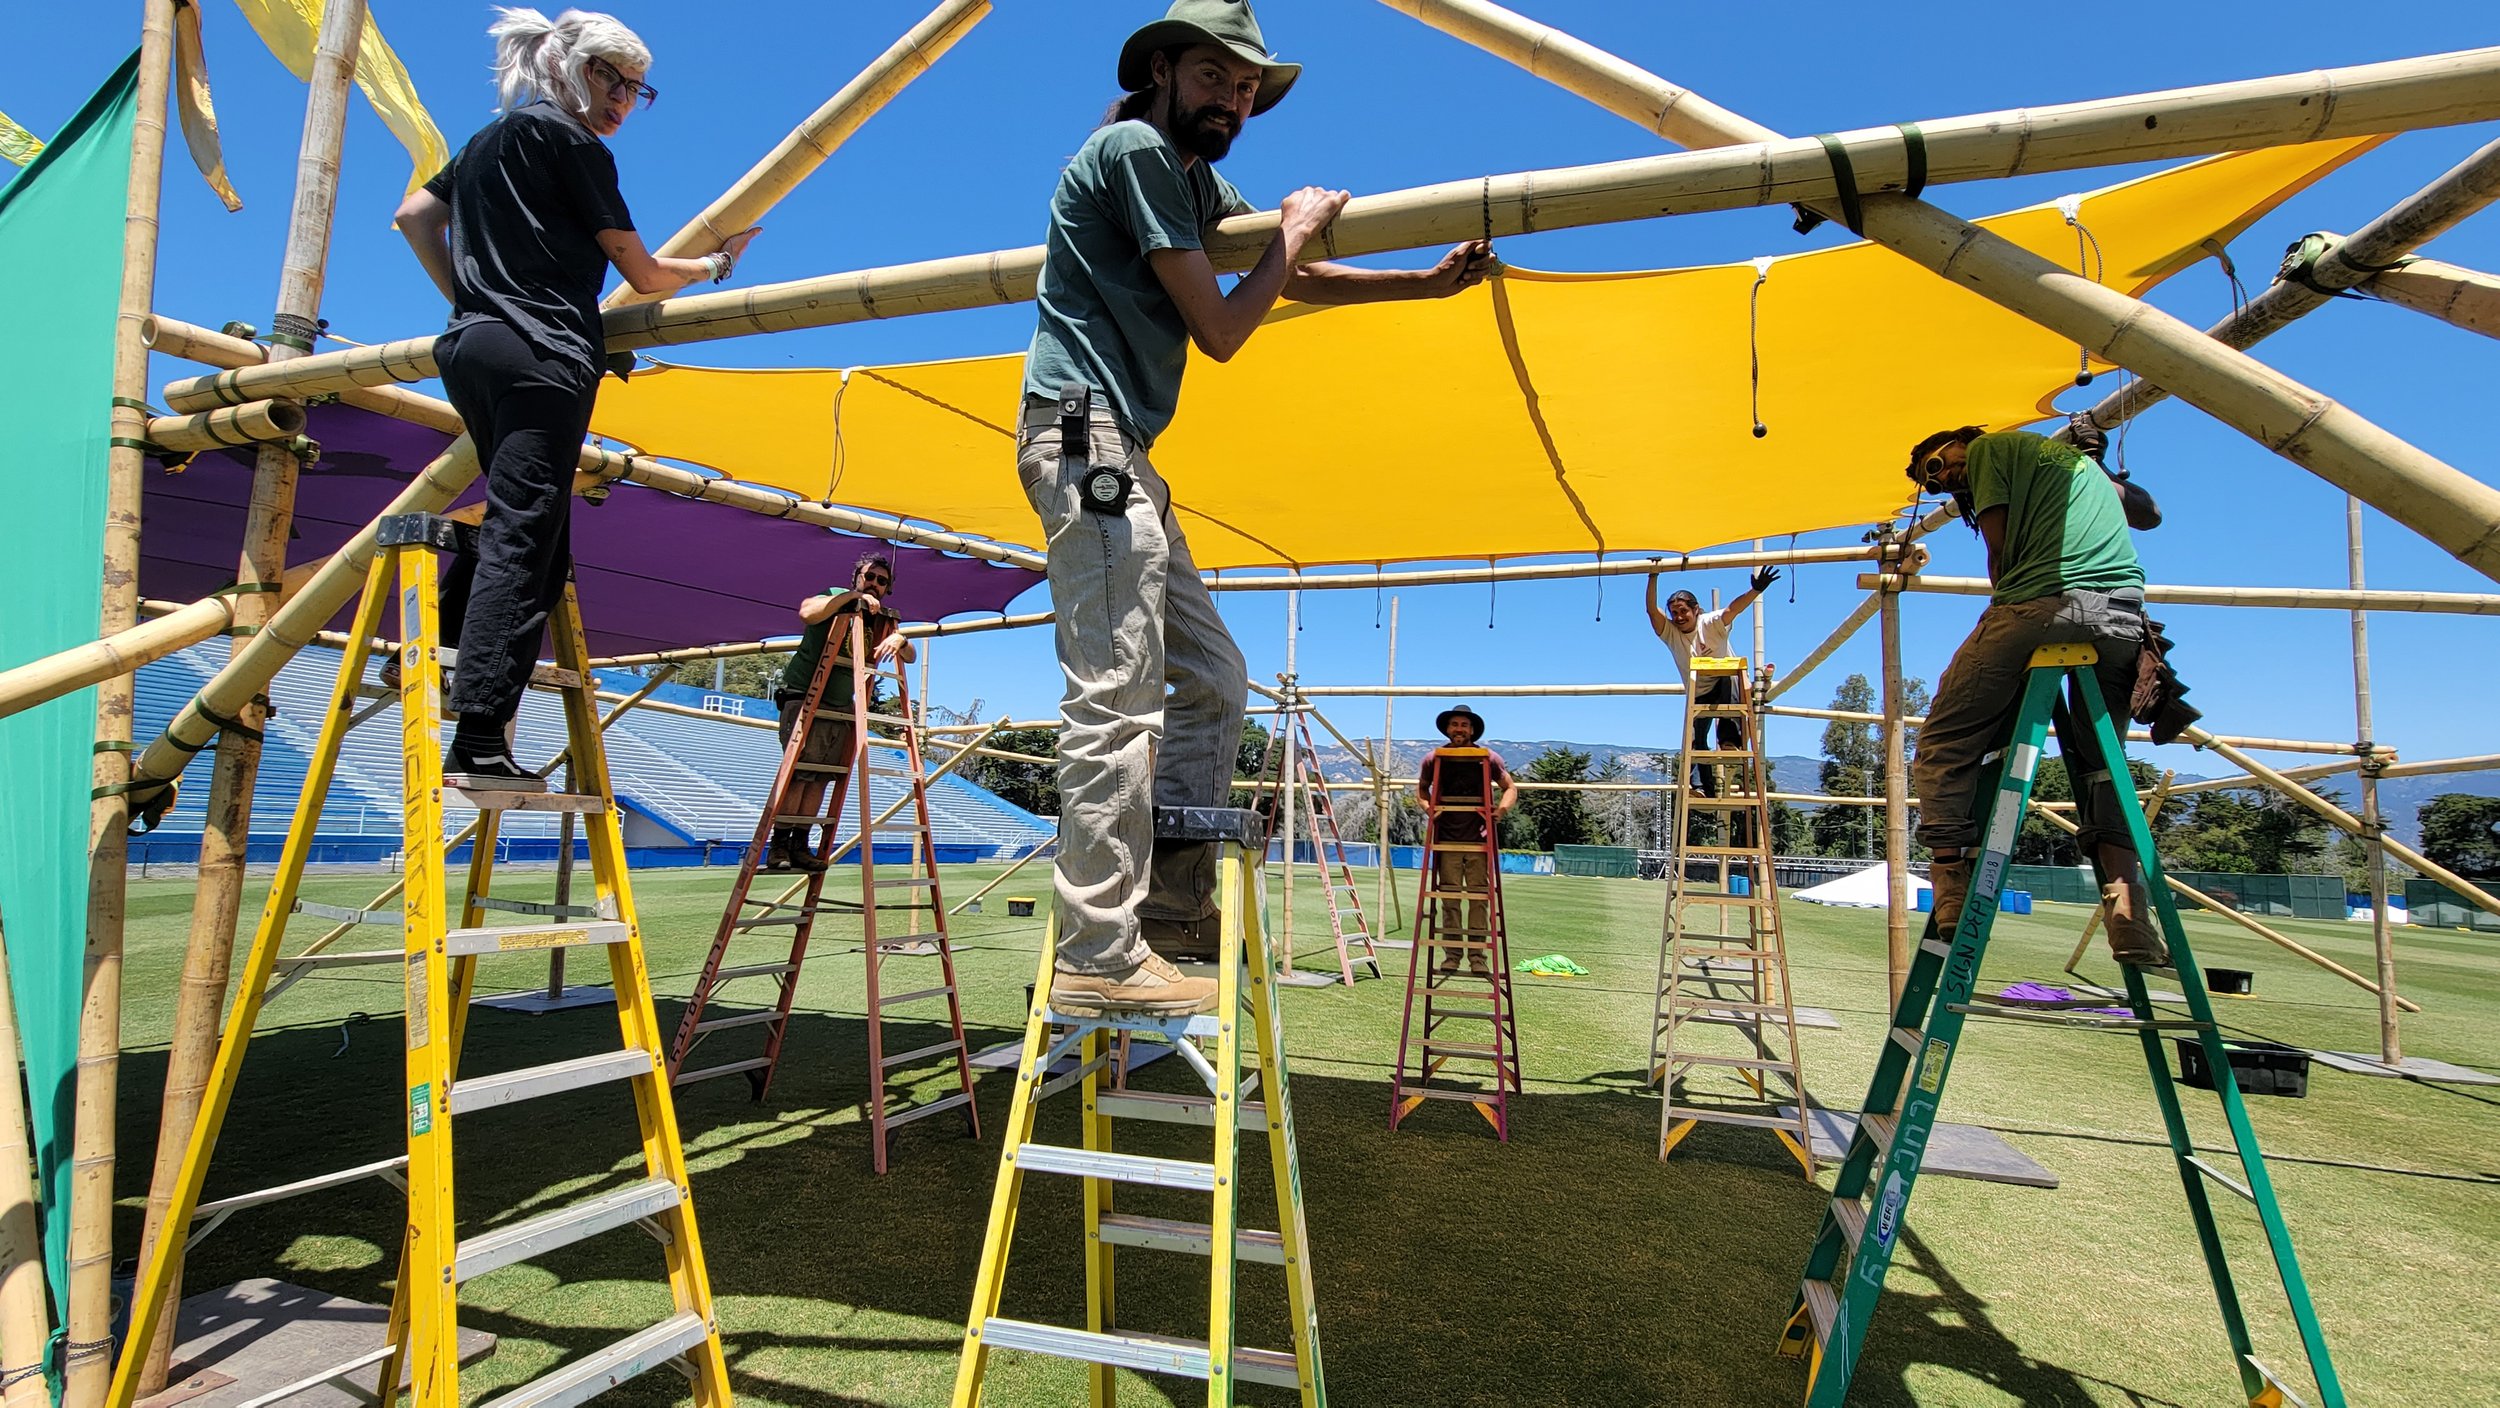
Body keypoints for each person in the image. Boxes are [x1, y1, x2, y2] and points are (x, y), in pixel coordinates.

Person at [1027, 0, 1495, 1017]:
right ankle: (1095, 951)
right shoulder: (1135, 149)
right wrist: (1286, 232)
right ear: (1160, 72)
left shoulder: (1195, 181)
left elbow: (1294, 272)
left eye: (1245, 90)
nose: (1231, 101)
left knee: (1212, 676)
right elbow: (1226, 326)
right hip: (1078, 427)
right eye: (1213, 78)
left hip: (1121, 449)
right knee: (1117, 682)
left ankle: (1164, 908)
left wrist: (1416, 284)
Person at [394, 7, 760, 789]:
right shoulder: (569, 142)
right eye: (615, 79)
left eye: (638, 88)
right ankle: (481, 733)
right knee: (525, 535)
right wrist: (716, 266)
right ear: (575, 69)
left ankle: (437, 655)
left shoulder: (489, 141)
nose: (625, 100)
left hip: (471, 346)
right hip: (543, 354)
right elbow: (649, 271)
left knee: (532, 526)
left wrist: (472, 299)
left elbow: (414, 216)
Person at [1903, 425, 2166, 965]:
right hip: (2121, 616)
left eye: (1938, 466)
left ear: (1962, 440)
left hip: (2044, 602)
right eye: (1933, 485)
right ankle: (2128, 910)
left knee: (1945, 741)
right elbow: (2149, 513)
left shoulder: (1992, 449)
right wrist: (2098, 465)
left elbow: (2003, 561)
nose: (1945, 480)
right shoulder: (2075, 465)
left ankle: (1952, 885)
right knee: (2101, 764)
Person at [766, 556, 914, 873]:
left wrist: (901, 639)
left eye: (881, 580)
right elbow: (807, 611)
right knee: (799, 773)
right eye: (869, 576)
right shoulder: (835, 595)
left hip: (839, 705)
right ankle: (779, 844)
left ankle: (799, 844)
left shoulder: (880, 619)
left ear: (889, 588)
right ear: (856, 577)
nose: (874, 583)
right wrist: (853, 597)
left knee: (821, 776)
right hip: (806, 696)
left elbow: (909, 656)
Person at [1647, 565, 1778, 799]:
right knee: (1697, 740)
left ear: (1695, 610)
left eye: (1683, 611)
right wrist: (1653, 576)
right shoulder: (1671, 633)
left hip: (1724, 684)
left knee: (1729, 674)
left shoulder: (1710, 623)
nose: (1678, 617)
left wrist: (1755, 591)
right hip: (1698, 693)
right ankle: (1700, 787)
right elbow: (1651, 611)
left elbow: (1732, 609)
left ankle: (1729, 739)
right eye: (1674, 613)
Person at [1415, 705, 1517, 977]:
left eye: (1463, 725)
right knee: (1449, 898)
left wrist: (1501, 811)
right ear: (1447, 729)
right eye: (1454, 724)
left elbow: (1510, 787)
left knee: (1478, 898)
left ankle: (1477, 957)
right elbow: (1422, 789)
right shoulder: (1433, 758)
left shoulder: (1489, 757)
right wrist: (1428, 809)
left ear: (1472, 730)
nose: (1458, 729)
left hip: (1478, 839)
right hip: (1446, 839)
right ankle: (1452, 955)